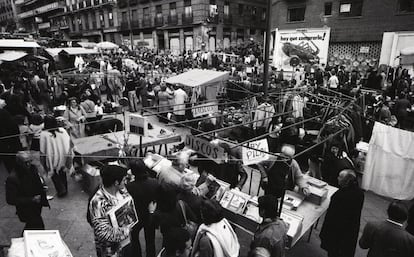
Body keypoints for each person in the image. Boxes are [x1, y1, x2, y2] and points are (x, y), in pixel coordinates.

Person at [89, 165, 133, 257]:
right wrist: (126, 231)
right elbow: (102, 232)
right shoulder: (98, 202)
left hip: (125, 242)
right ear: (116, 182)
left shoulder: (122, 189)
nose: (125, 182)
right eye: (124, 179)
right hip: (110, 250)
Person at [320, 169, 364, 257]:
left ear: (347, 180)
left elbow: (331, 216)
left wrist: (324, 233)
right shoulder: (359, 193)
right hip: (350, 232)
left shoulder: (340, 195)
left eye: (340, 177)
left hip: (336, 233)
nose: (338, 178)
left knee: (333, 253)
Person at [6, 151, 49, 232]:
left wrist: (42, 187)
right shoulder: (13, 178)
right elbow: (10, 199)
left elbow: (37, 180)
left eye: (30, 161)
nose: (29, 164)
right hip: (26, 208)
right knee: (38, 226)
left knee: (32, 226)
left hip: (36, 205)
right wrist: (31, 199)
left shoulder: (32, 168)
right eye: (26, 162)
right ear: (19, 162)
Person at [126, 160, 159, 257]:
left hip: (136, 216)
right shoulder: (154, 183)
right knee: (150, 239)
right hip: (150, 214)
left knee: (134, 238)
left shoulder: (129, 187)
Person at [40, 115, 73, 197]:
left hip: (51, 158)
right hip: (63, 156)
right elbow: (69, 143)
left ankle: (61, 190)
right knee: (62, 172)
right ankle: (64, 188)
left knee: (54, 174)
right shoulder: (62, 130)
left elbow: (42, 149)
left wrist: (43, 161)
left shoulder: (43, 134)